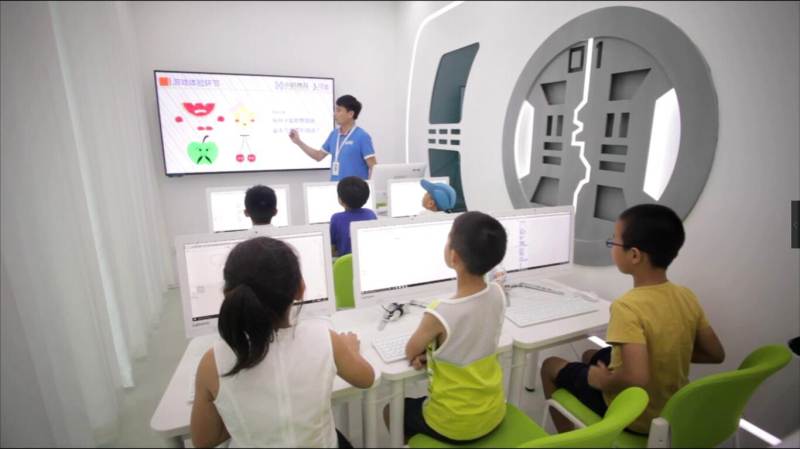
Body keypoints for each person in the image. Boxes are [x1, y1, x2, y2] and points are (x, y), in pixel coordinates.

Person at [540, 204, 725, 435]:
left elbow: (637, 376)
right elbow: (716, 354)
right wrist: (665, 353)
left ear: (635, 255)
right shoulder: (686, 296)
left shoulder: (627, 307)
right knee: (590, 355)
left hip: (635, 416)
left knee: (550, 365)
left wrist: (603, 382)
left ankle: (571, 441)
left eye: (614, 241)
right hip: (672, 410)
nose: (611, 246)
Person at [190, 237, 375, 448]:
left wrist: (242, 418)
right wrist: (350, 350)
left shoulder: (212, 363)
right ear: (301, 288)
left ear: (227, 295)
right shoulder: (325, 339)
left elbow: (203, 440)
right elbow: (366, 379)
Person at [384, 211, 508, 443]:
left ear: (453, 257)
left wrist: (423, 352)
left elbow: (411, 351)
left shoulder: (440, 312)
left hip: (453, 424)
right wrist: (434, 354)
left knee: (392, 410)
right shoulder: (498, 294)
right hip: (494, 411)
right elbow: (468, 338)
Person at [289, 95, 377, 181]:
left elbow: (374, 167)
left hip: (355, 189)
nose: (335, 114)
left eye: (339, 110)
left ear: (350, 114)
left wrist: (368, 187)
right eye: (335, 110)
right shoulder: (334, 134)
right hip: (335, 187)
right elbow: (318, 156)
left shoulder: (362, 136)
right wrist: (298, 142)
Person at [330, 176, 377, 257]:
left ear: (340, 199)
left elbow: (331, 251)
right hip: (367, 259)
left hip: (345, 263)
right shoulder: (371, 214)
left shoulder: (336, 218)